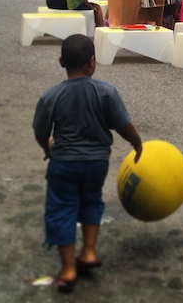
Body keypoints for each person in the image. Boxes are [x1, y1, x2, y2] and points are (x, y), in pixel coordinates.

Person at [32, 34, 143, 293]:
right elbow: (123, 125)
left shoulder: (51, 96)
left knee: (62, 208)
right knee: (92, 201)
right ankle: (89, 252)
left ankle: (69, 268)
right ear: (92, 63)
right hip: (96, 163)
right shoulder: (106, 91)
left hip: (64, 163)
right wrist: (137, 144)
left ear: (61, 61)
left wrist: (47, 146)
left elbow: (40, 130)